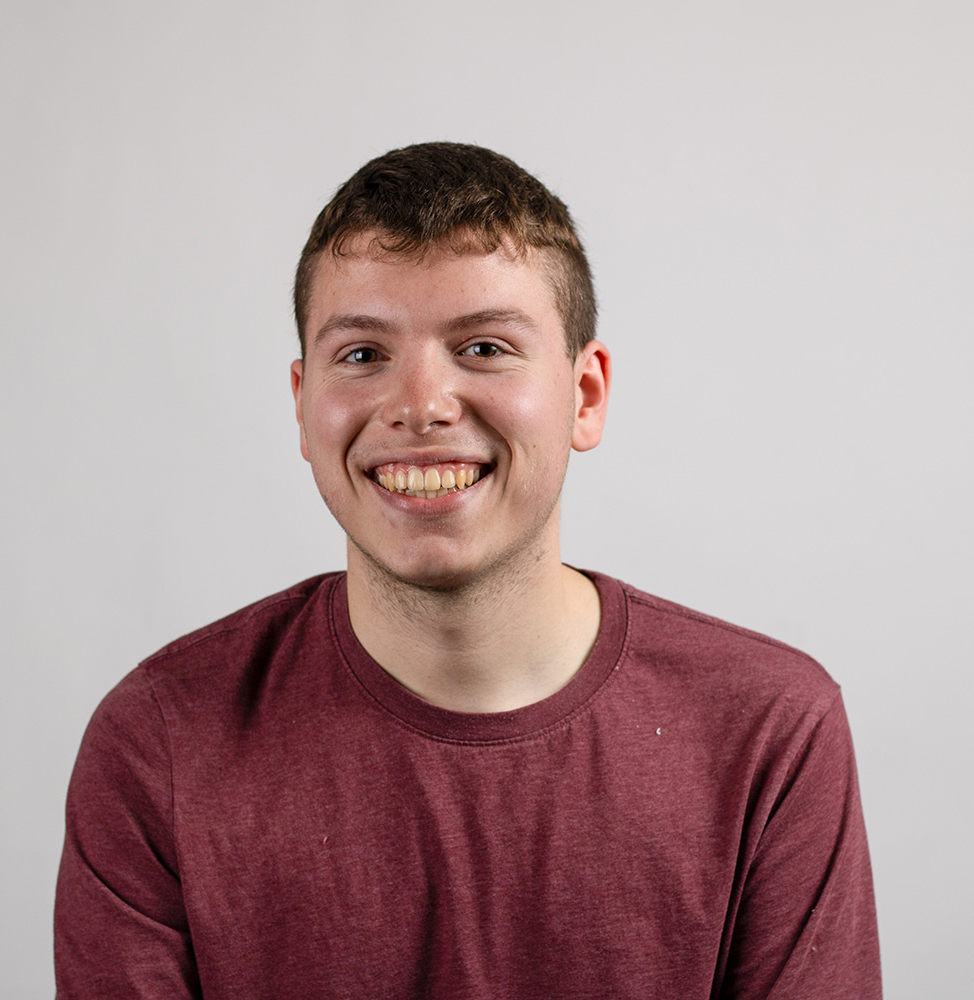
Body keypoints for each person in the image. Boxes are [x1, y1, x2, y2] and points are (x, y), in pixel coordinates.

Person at [55, 142, 881, 998]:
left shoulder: (772, 733)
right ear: (301, 405)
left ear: (585, 396)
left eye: (484, 347)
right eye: (362, 355)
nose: (420, 405)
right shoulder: (159, 746)